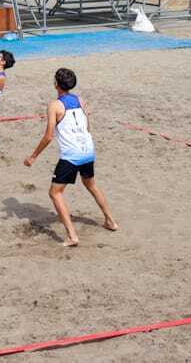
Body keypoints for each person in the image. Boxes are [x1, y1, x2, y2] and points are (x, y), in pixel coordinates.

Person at [24, 68, 117, 247]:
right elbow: (88, 126)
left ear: (56, 84)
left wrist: (33, 156)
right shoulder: (80, 100)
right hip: (88, 149)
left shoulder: (54, 105)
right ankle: (111, 221)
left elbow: (49, 136)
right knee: (91, 185)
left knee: (55, 193)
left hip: (72, 154)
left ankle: (72, 236)